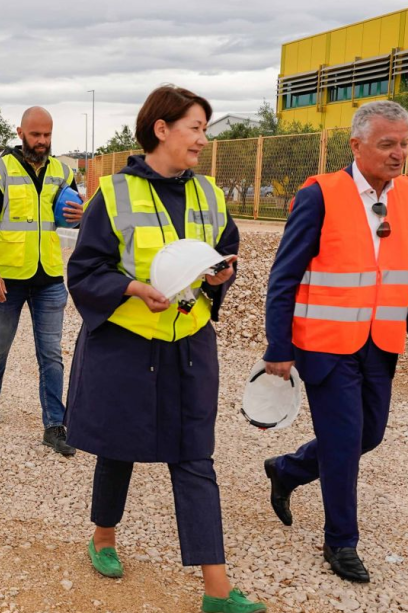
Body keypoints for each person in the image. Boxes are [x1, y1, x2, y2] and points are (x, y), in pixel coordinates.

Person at [65, 85, 264, 613]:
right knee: (118, 446)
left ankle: (216, 591)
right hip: (127, 345)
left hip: (190, 343)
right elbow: (83, 272)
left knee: (194, 455)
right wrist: (132, 288)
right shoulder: (112, 195)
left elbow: (227, 253)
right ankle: (103, 538)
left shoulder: (211, 195)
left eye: (203, 128)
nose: (202, 138)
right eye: (195, 128)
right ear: (161, 129)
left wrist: (223, 276)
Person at [261, 99, 408, 583]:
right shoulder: (320, 194)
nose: (398, 153)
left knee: (369, 435)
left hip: (380, 343)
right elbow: (284, 276)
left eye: (404, 143)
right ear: (357, 145)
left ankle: (289, 470)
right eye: (387, 144)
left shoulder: (406, 195)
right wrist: (278, 346)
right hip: (325, 344)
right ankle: (341, 542)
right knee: (342, 442)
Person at [0, 106, 82, 455]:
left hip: (49, 277)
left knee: (51, 353)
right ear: (21, 133)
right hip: (8, 278)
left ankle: (54, 425)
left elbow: (70, 224)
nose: (43, 141)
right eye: (36, 135)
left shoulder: (63, 172)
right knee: (0, 343)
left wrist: (80, 217)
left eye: (47, 135)